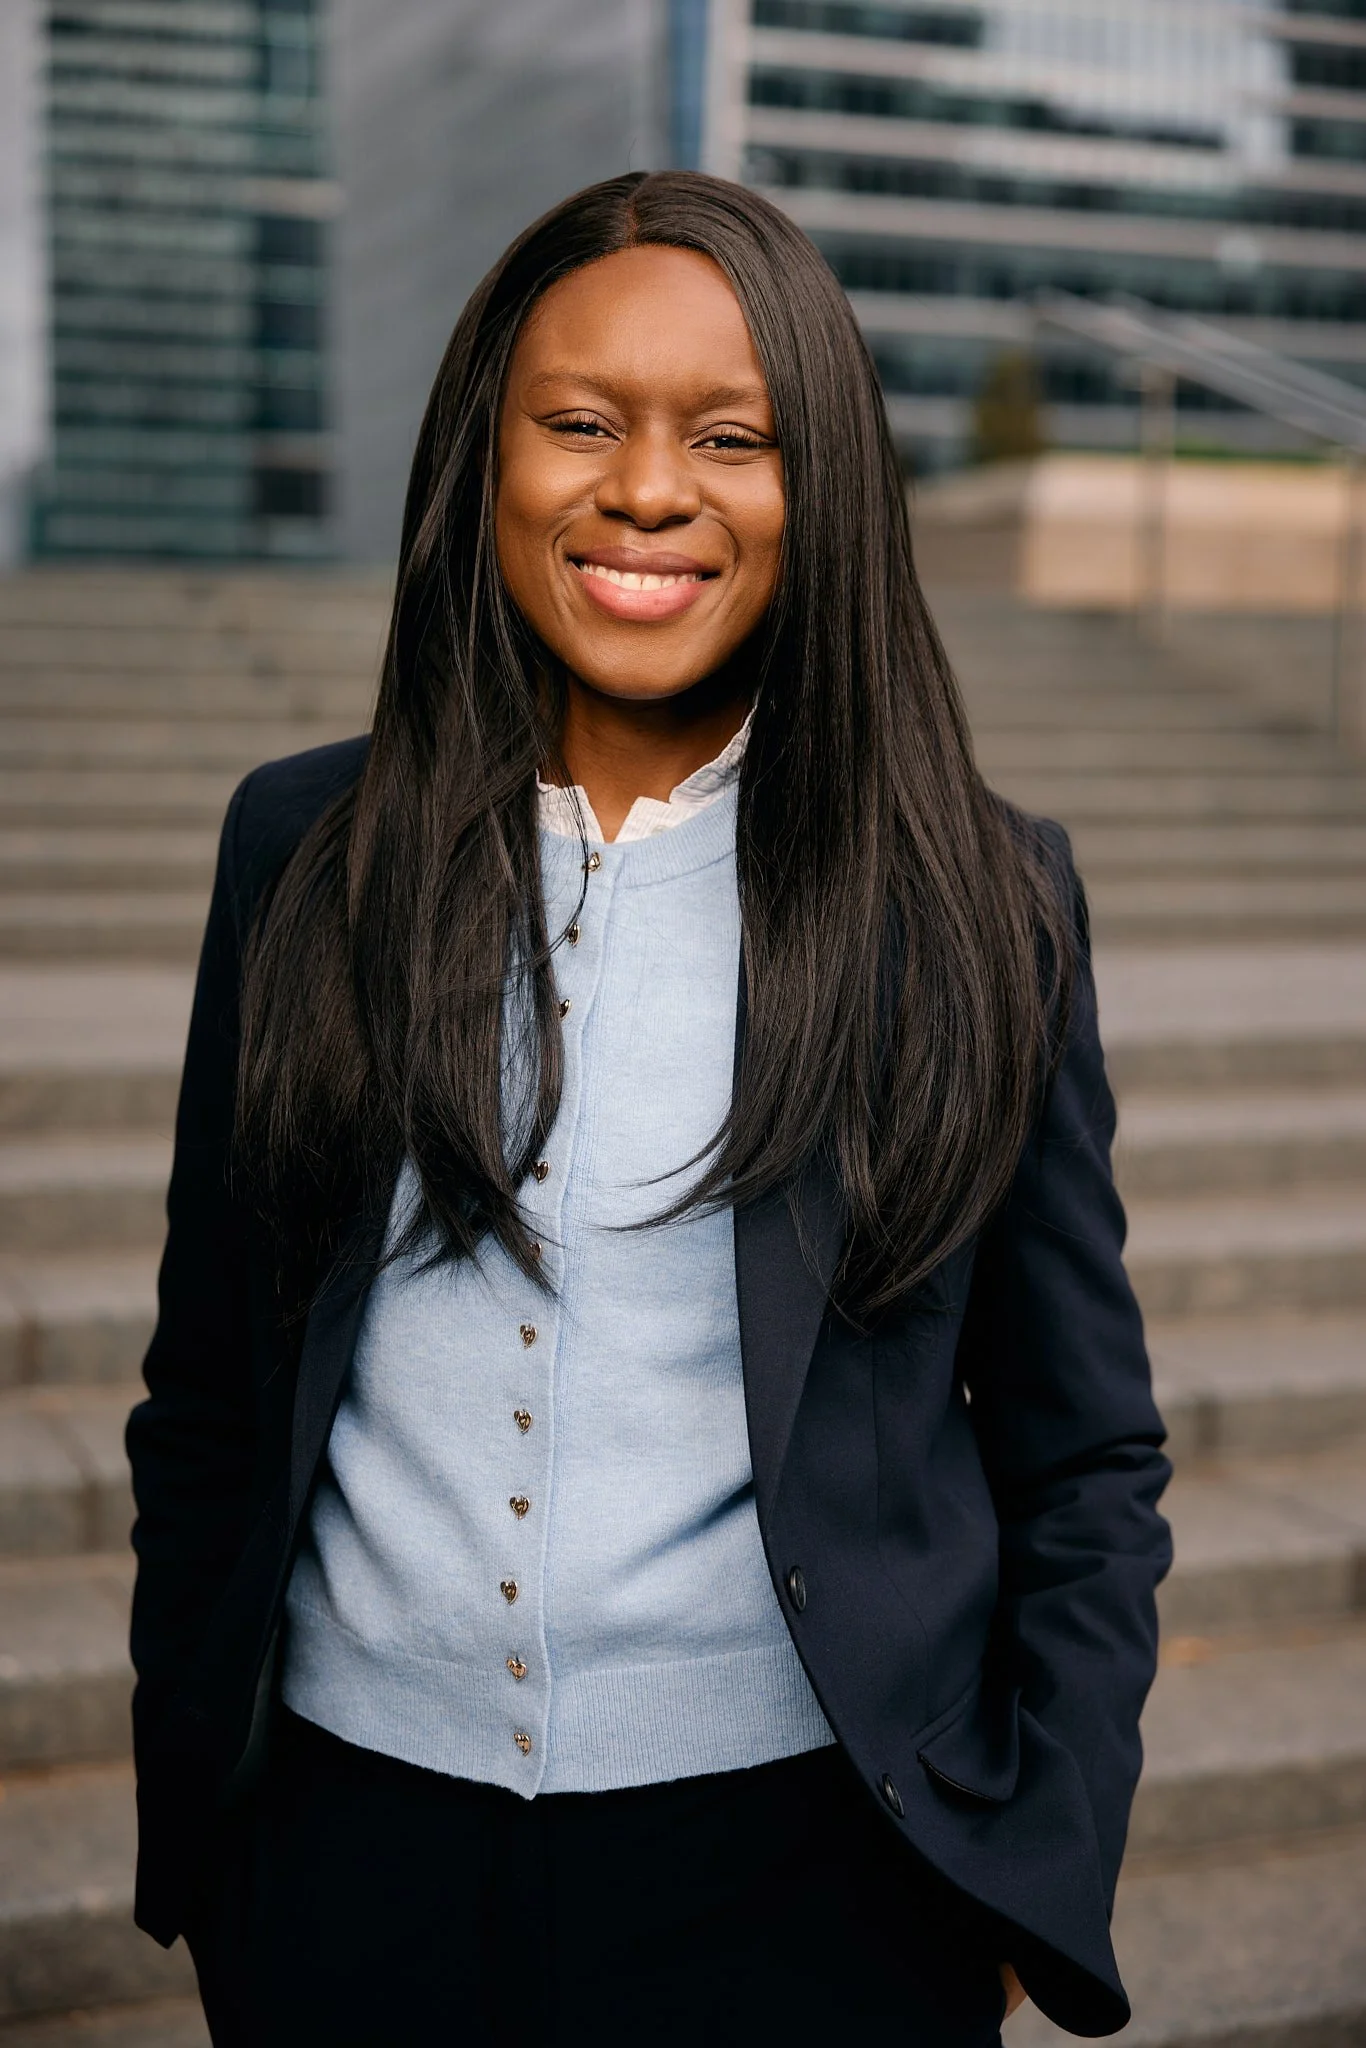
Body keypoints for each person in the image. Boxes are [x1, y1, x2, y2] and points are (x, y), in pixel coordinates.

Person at [126, 171, 1171, 2046]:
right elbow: (208, 1390)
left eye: (732, 436)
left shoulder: (976, 901)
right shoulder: (301, 850)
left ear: (820, 482)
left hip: (810, 1884)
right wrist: (204, 1816)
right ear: (486, 455)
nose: (646, 491)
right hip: (345, 1867)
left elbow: (1081, 1456)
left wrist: (1034, 1851)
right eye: (580, 423)